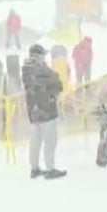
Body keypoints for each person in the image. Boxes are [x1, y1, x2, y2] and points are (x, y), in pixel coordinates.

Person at [22, 45, 66, 179]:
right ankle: (50, 169)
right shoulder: (40, 69)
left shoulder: (26, 69)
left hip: (34, 110)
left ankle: (34, 168)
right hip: (46, 109)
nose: (44, 57)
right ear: (37, 55)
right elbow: (56, 81)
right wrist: (54, 82)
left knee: (35, 140)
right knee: (50, 140)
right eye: (42, 55)